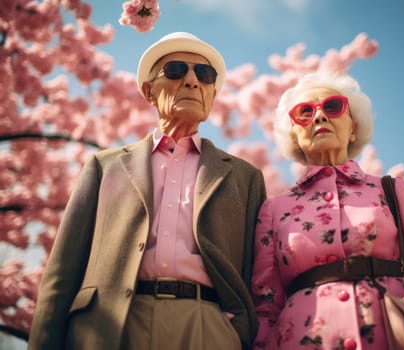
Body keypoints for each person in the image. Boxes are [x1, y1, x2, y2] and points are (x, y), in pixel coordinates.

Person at [28, 32, 266, 350]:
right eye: (177, 70)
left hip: (209, 327)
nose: (193, 81)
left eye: (204, 75)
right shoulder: (104, 166)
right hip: (109, 327)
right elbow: (62, 272)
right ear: (148, 91)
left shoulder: (245, 177)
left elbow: (256, 277)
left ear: (212, 95)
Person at [251, 71, 404, 349]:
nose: (319, 117)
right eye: (305, 112)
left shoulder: (391, 189)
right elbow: (266, 304)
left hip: (394, 335)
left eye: (333, 107)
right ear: (295, 136)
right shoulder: (273, 209)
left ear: (352, 127)